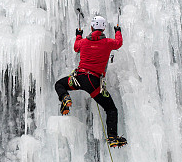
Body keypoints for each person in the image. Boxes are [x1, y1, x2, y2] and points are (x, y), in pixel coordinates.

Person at [54, 15, 127, 148]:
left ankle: (65, 97)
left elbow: (76, 47)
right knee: (110, 109)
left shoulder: (83, 42)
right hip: (94, 83)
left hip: (79, 79)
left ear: (92, 27)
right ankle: (112, 137)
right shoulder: (108, 43)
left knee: (59, 84)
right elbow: (119, 43)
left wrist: (78, 35)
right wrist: (118, 31)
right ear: (104, 28)